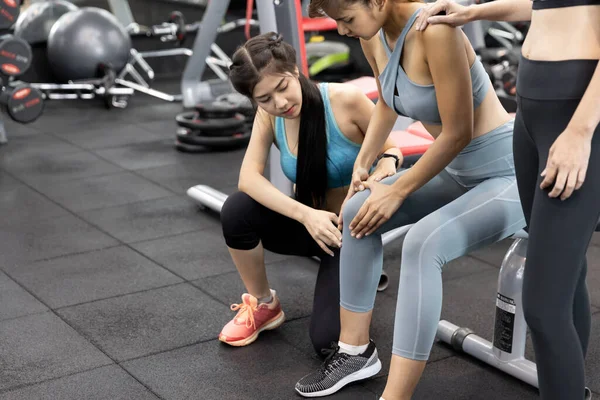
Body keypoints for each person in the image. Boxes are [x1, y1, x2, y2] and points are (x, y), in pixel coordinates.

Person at [295, 0, 527, 398]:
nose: (343, 31)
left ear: (378, 2)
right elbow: (387, 99)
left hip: (506, 170)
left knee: (423, 243)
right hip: (454, 170)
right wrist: (364, 163)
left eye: (347, 19)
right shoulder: (374, 36)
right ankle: (355, 353)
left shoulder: (434, 30)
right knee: (356, 211)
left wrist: (398, 189)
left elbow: (457, 132)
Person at [413, 1, 600, 399]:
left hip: (575, 119)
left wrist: (580, 133)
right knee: (567, 281)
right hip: (532, 115)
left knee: (544, 308)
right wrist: (472, 12)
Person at [218, 32, 402, 356]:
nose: (280, 103)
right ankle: (264, 305)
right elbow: (247, 178)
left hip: (351, 232)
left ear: (295, 70)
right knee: (236, 210)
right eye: (265, 99)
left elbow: (392, 148)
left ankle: (358, 275)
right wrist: (306, 215)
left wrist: (387, 163)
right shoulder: (269, 116)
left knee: (328, 342)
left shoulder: (345, 100)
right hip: (312, 225)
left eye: (282, 87)